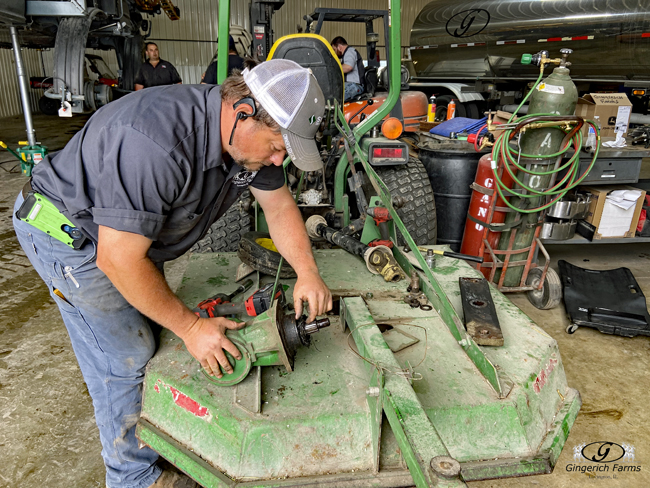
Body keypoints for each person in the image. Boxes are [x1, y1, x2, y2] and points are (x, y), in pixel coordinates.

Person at [12, 58, 332, 488]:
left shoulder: (246, 140)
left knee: (156, 329)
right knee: (127, 357)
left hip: (127, 240)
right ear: (242, 112)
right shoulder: (155, 143)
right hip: (71, 236)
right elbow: (118, 259)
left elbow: (278, 206)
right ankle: (134, 477)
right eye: (277, 147)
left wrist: (308, 272)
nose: (277, 159)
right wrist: (192, 328)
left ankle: (160, 438)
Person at [331, 36, 365, 101]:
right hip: (350, 85)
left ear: (339, 47)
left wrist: (332, 70)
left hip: (354, 86)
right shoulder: (346, 54)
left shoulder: (350, 51)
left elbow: (348, 67)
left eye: (334, 50)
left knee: (335, 100)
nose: (334, 53)